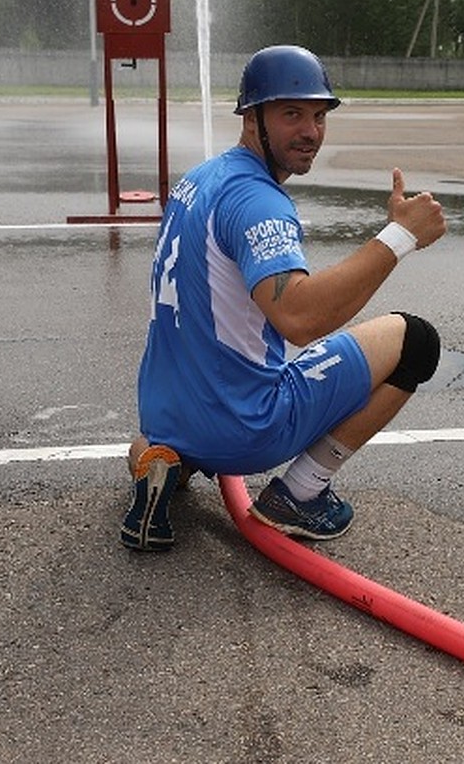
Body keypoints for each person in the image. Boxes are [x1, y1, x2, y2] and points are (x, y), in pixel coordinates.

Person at [120, 45, 447, 550]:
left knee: (165, 436)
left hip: (163, 415)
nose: (311, 132)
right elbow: (299, 316)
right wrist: (400, 238)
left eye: (319, 116)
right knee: (417, 341)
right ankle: (299, 493)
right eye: (291, 114)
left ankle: (158, 463)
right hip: (241, 427)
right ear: (253, 119)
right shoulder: (258, 202)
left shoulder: (198, 179)